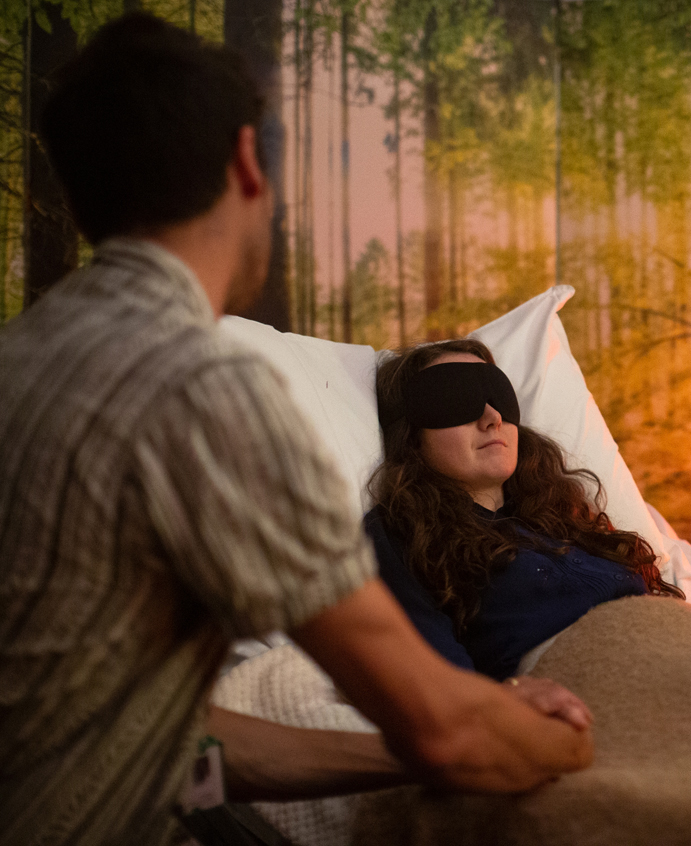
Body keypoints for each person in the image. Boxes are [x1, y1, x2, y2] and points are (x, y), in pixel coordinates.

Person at [0, 15, 589, 845]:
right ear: (248, 163)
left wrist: (408, 749)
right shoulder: (207, 391)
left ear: (79, 198)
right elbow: (449, 735)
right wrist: (564, 742)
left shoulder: (19, 358)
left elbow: (161, 745)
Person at [366, 339, 685, 679]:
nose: (493, 418)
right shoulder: (401, 534)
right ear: (411, 435)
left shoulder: (563, 517)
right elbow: (442, 681)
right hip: (605, 686)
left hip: (677, 655)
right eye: (456, 399)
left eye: (498, 395)